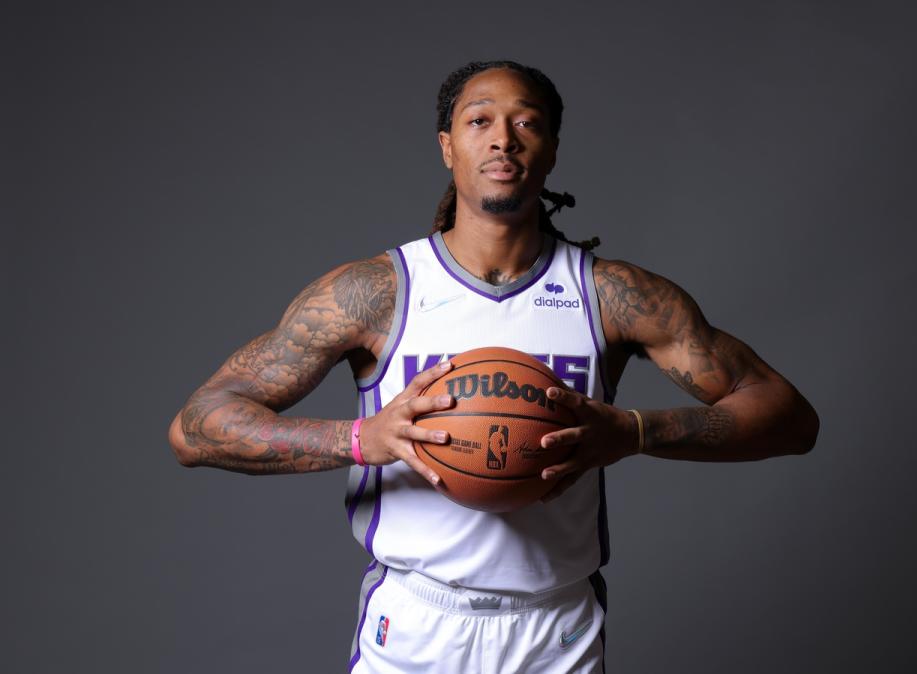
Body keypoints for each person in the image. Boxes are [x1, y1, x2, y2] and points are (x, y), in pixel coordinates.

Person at [168, 60, 820, 673]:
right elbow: (197, 427)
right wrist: (362, 438)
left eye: (526, 122)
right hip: (415, 624)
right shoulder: (377, 293)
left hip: (554, 630)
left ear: (554, 148)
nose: (503, 139)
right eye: (479, 121)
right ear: (447, 146)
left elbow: (789, 418)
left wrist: (634, 432)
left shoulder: (610, 296)